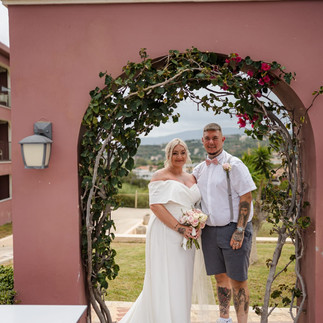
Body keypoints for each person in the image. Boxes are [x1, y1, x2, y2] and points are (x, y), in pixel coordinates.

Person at [119, 138, 201, 323]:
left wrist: (197, 223)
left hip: (188, 236)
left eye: (182, 152)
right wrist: (179, 227)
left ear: (187, 154)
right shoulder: (159, 176)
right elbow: (155, 206)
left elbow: (196, 203)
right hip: (166, 233)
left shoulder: (192, 177)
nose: (179, 156)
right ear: (168, 155)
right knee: (165, 278)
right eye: (175, 153)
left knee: (182, 279)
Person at [193, 123, 257, 323]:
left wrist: (240, 229)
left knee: (238, 280)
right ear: (202, 141)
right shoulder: (199, 169)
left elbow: (246, 197)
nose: (211, 142)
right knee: (220, 278)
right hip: (210, 232)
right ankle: (224, 319)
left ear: (223, 140)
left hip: (233, 229)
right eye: (207, 138)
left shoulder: (234, 164)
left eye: (215, 138)